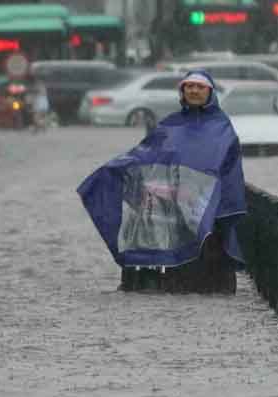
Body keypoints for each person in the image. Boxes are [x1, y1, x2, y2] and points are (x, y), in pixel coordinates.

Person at [78, 69, 247, 294]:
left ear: (210, 92)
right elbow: (147, 154)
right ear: (182, 91)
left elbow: (230, 168)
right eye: (189, 86)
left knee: (209, 274)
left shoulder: (222, 126)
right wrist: (117, 168)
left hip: (208, 213)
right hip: (173, 211)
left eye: (199, 87)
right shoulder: (170, 125)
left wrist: (221, 204)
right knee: (178, 273)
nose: (194, 91)